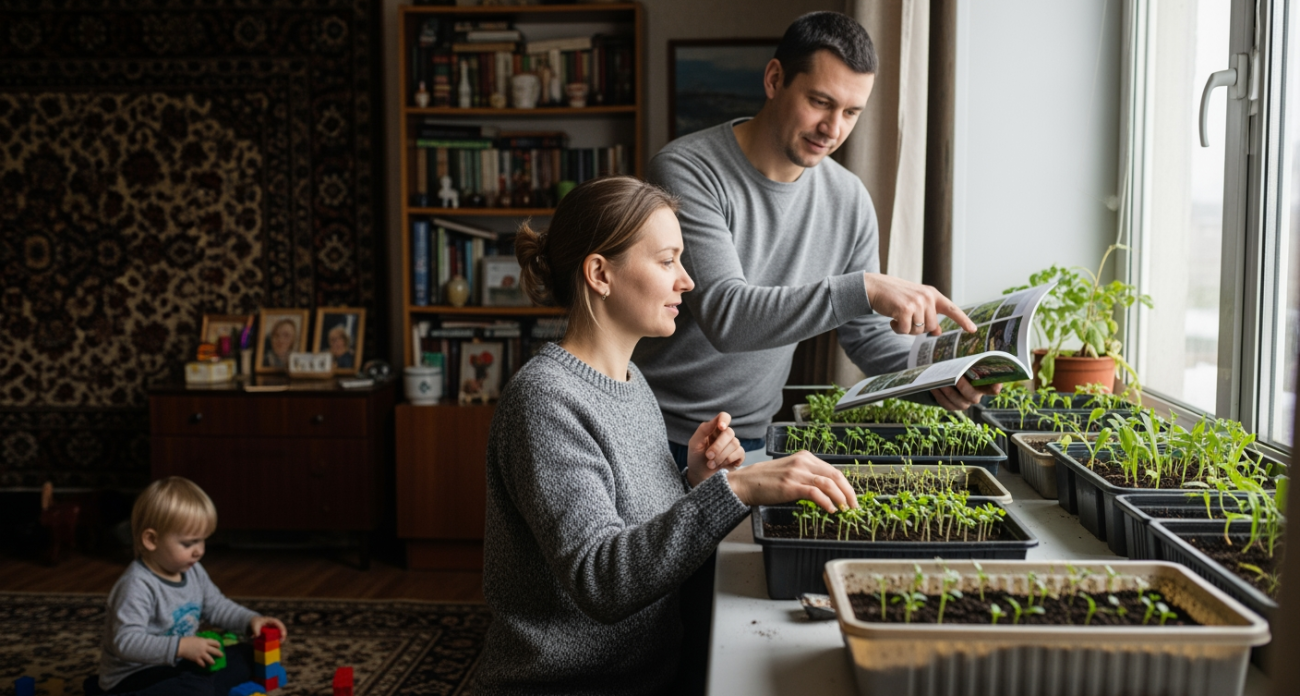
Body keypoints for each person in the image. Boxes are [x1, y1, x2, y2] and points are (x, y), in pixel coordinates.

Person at [477, 176, 859, 695]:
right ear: (599, 274)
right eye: (666, 261)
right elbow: (602, 578)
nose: (687, 281)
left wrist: (696, 481)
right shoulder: (545, 400)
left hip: (648, 675)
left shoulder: (632, 383)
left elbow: (630, 527)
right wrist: (737, 490)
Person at [634, 11, 996, 469]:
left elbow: (866, 337)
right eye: (820, 102)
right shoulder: (686, 170)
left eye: (851, 112)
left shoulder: (848, 199)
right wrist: (865, 288)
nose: (834, 128)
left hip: (748, 442)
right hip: (652, 435)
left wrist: (940, 376)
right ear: (774, 79)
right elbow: (727, 317)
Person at [86, 477, 288, 696]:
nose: (198, 551)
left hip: (180, 666)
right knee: (195, 688)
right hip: (135, 678)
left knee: (247, 656)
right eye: (188, 543)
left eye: (202, 540)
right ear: (151, 540)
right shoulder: (136, 585)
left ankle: (206, 686)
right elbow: (125, 642)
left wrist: (250, 621)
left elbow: (217, 606)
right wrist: (181, 647)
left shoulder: (193, 571)